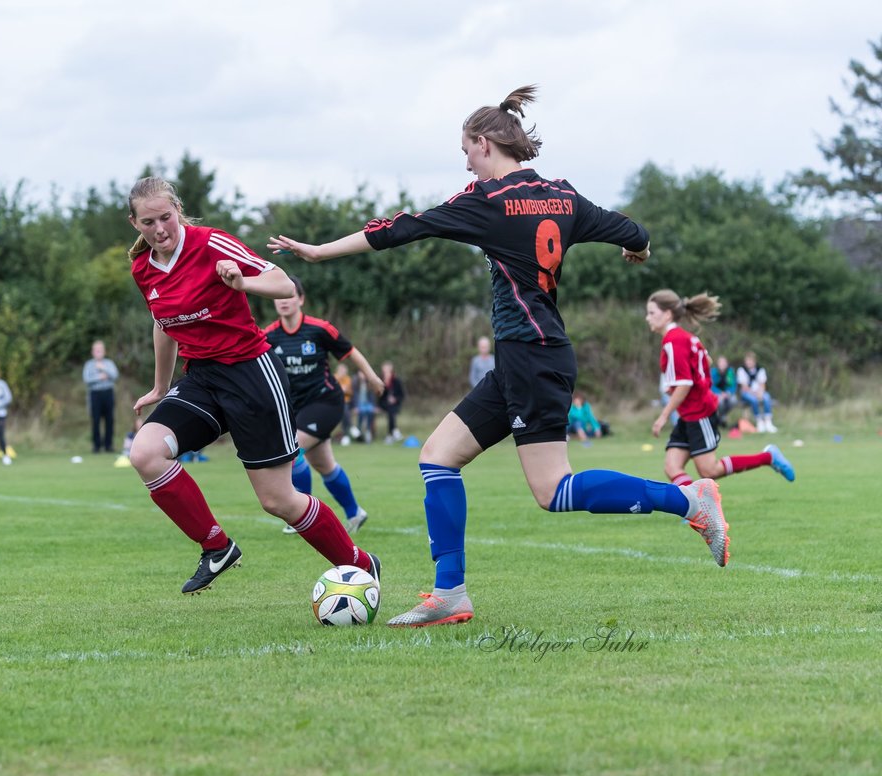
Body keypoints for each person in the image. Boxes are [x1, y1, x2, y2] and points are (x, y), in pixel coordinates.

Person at [268, 85, 730, 628]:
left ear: (484, 144)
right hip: (526, 358)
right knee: (437, 456)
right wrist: (639, 251)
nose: (465, 161)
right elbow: (634, 231)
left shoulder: (487, 203)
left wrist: (320, 251)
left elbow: (402, 228)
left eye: (466, 150)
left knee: (553, 490)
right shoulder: (563, 196)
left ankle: (691, 501)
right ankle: (450, 594)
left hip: (533, 356)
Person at [125, 176, 380, 595]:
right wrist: (159, 386)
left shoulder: (211, 244)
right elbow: (163, 323)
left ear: (177, 210)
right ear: (134, 223)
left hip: (251, 374)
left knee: (278, 501)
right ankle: (217, 546)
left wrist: (242, 284)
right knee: (145, 453)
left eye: (166, 218)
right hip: (202, 379)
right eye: (148, 222)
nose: (159, 230)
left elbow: (282, 282)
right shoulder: (142, 268)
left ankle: (361, 564)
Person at [264, 277, 383, 535]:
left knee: (292, 450)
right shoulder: (269, 336)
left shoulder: (319, 329)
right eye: (279, 297)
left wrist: (372, 377)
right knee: (324, 465)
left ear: (301, 299)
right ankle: (355, 513)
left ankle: (300, 514)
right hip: (295, 409)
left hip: (326, 402)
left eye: (289, 295)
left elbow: (350, 352)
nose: (284, 301)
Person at [646, 291, 795, 487]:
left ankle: (768, 457)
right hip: (689, 413)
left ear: (667, 315)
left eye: (651, 312)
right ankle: (697, 508)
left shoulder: (674, 341)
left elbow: (684, 383)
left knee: (709, 470)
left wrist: (664, 415)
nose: (647, 317)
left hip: (699, 412)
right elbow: (706, 360)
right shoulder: (685, 337)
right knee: (672, 467)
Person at [83, 340, 119, 454]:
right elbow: (87, 379)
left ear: (104, 351)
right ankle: (96, 446)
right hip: (95, 394)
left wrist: (103, 369)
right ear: (93, 352)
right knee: (96, 419)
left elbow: (115, 375)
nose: (98, 352)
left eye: (100, 350)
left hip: (108, 393)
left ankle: (108, 445)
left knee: (109, 420)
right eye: (96, 350)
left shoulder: (109, 363)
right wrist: (99, 377)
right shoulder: (89, 364)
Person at [736, 351, 778, 433]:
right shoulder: (741, 370)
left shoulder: (760, 370)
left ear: (754, 361)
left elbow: (762, 384)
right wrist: (754, 393)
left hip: (759, 392)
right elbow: (744, 386)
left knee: (766, 397)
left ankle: (768, 422)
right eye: (747, 361)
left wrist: (760, 392)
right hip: (747, 393)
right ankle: (759, 422)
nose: (748, 363)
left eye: (750, 361)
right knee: (753, 400)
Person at [380, 361, 406, 443]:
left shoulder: (397, 381)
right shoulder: (380, 380)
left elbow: (402, 395)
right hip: (383, 403)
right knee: (391, 410)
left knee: (391, 411)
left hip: (394, 404)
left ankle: (390, 434)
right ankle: (394, 431)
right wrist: (385, 385)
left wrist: (395, 399)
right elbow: (379, 396)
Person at [710, 355, 738, 427]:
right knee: (720, 401)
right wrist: (720, 393)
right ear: (718, 363)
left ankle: (722, 416)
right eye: (721, 362)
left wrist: (728, 393)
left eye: (724, 362)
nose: (722, 364)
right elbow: (711, 385)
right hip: (717, 393)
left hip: (728, 393)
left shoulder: (730, 372)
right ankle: (721, 418)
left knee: (733, 400)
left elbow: (733, 385)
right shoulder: (713, 372)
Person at [334, 363, 355, 446]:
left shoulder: (348, 379)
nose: (343, 372)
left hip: (346, 401)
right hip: (336, 402)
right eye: (341, 370)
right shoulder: (334, 378)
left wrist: (346, 391)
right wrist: (340, 389)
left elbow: (351, 392)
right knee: (345, 410)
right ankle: (351, 428)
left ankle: (345, 435)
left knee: (345, 411)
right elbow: (332, 390)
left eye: (344, 371)